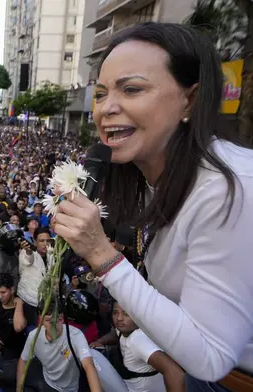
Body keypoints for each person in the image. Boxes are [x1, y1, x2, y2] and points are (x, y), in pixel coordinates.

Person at [51, 22, 253, 389]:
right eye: (100, 93)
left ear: (188, 100)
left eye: (131, 89)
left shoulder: (232, 188)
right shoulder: (147, 179)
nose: (106, 109)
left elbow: (210, 357)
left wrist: (101, 254)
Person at [18, 304, 102, 392]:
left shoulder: (75, 335)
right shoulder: (34, 336)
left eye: (57, 320)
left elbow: (88, 365)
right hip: (48, 382)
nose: (53, 326)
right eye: (48, 321)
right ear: (41, 320)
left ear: (62, 319)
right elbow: (23, 360)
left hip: (70, 388)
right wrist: (18, 389)